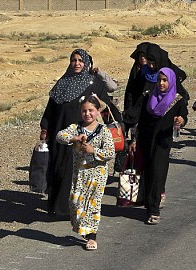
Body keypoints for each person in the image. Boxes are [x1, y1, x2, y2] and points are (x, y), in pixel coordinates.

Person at [39, 48, 120, 217]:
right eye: (74, 60)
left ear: (86, 63)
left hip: (82, 134)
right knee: (57, 167)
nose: (77, 64)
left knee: (73, 169)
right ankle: (56, 206)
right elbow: (51, 108)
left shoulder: (93, 83)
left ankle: (71, 208)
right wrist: (45, 128)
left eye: (80, 61)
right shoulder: (62, 82)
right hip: (59, 132)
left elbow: (105, 104)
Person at [56, 95, 115, 251]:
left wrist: (93, 150)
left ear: (97, 112)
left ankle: (92, 236)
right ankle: (84, 229)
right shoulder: (76, 127)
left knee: (92, 205)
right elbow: (60, 136)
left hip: (97, 174)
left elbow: (110, 152)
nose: (87, 114)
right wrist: (75, 138)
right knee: (75, 202)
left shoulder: (103, 131)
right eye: (84, 111)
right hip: (79, 174)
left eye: (91, 110)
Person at [129, 68, 188, 225]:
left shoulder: (177, 100)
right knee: (147, 173)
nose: (161, 83)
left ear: (171, 81)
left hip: (163, 142)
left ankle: (154, 210)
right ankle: (149, 205)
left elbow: (184, 116)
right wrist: (133, 138)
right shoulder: (148, 96)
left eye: (165, 80)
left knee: (157, 172)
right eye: (159, 80)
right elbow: (138, 118)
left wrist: (180, 120)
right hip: (145, 140)